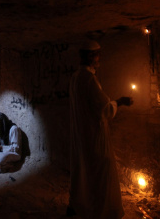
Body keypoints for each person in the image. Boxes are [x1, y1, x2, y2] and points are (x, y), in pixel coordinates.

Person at [67, 40, 133, 219]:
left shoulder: (75, 77)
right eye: (96, 55)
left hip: (81, 134)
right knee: (100, 172)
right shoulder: (89, 79)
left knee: (82, 171)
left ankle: (78, 205)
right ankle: (100, 211)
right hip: (93, 135)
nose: (99, 58)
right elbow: (106, 110)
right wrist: (120, 101)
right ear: (89, 56)